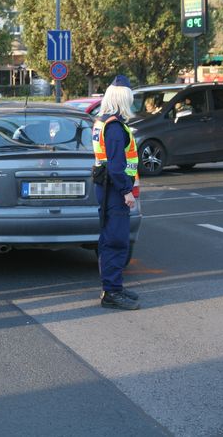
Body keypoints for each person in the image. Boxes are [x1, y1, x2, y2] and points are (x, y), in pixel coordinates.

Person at [91, 75, 141, 311]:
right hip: (114, 189)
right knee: (116, 240)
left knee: (110, 238)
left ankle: (114, 287)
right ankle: (111, 292)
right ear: (123, 99)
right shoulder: (114, 127)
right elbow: (116, 165)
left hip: (107, 187)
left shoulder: (102, 121)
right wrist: (126, 191)